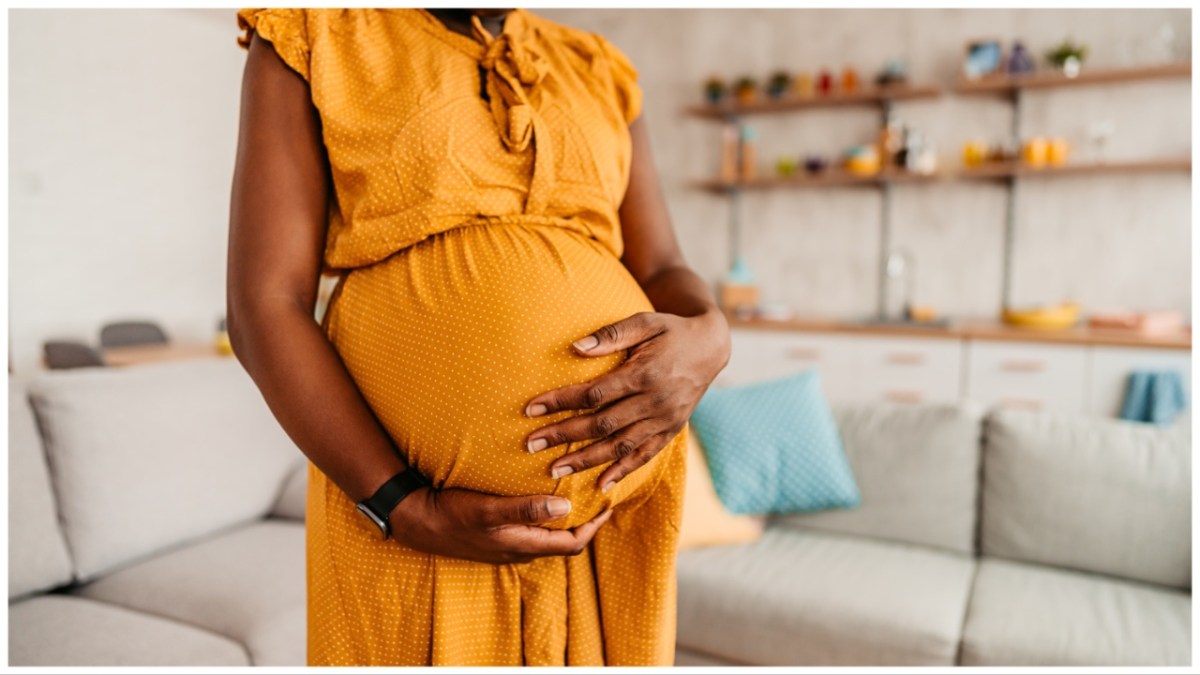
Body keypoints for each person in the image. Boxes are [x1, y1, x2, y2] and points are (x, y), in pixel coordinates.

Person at [227, 7, 730, 667]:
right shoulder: (316, 35)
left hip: (605, 531)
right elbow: (265, 303)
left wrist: (711, 334)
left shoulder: (599, 68)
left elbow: (662, 267)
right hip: (410, 520)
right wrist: (405, 506)